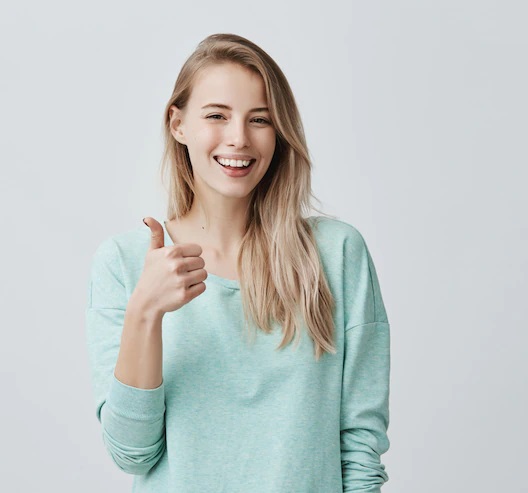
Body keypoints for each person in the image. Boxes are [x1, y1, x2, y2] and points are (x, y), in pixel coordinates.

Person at [85, 33, 391, 493]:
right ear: (178, 124)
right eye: (217, 116)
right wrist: (144, 313)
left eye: (260, 119)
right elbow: (132, 451)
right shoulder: (126, 263)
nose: (239, 139)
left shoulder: (337, 254)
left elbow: (360, 446)